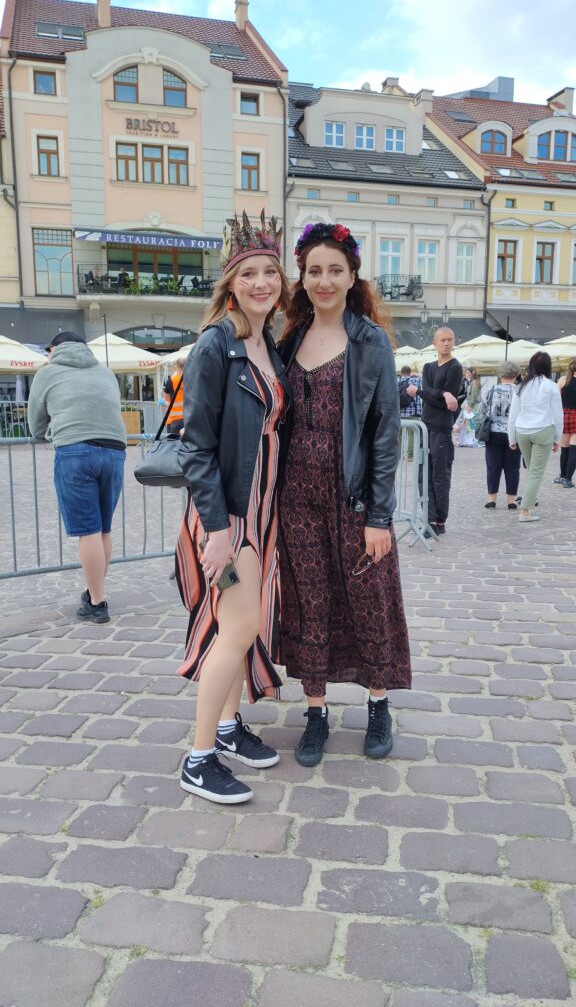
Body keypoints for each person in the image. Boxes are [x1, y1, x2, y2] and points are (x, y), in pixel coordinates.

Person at [277, 221, 411, 769]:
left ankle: (378, 705)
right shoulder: (287, 340)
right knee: (310, 600)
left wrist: (379, 514)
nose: (324, 280)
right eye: (314, 271)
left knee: (368, 598)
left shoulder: (370, 341)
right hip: (295, 498)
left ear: (353, 276)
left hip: (353, 497)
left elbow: (385, 433)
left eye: (335, 270)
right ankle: (316, 711)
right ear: (303, 279)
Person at [175, 211, 291, 805]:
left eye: (270, 272)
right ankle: (198, 760)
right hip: (229, 515)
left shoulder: (267, 344)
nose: (261, 283)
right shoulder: (215, 345)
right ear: (230, 282)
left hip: (262, 513)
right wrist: (217, 529)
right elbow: (195, 446)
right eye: (249, 274)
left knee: (234, 626)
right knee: (241, 625)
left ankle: (225, 727)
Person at [27, 330, 126, 623]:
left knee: (88, 531)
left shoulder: (48, 373)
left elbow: (35, 425)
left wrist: (52, 431)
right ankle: (94, 592)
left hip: (75, 450)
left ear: (53, 350)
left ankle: (97, 602)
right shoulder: (106, 373)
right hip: (115, 451)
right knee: (103, 529)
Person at [407, 328, 464, 535]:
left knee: (440, 476)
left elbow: (439, 403)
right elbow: (433, 396)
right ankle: (429, 519)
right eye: (442, 340)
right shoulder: (429, 367)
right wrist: (442, 393)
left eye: (450, 339)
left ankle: (439, 521)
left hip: (441, 429)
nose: (447, 343)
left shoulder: (455, 367)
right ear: (435, 343)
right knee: (423, 475)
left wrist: (421, 392)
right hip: (426, 426)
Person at [508, 351, 563, 522]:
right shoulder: (551, 386)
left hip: (522, 431)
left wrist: (511, 438)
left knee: (532, 470)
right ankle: (525, 511)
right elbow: (558, 415)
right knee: (536, 472)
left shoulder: (521, 386)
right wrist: (557, 438)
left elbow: (513, 415)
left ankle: (529, 507)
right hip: (543, 430)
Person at [481, 362, 522, 510]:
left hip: (494, 433)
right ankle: (511, 500)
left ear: (500, 375)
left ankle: (492, 499)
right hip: (514, 434)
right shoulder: (520, 391)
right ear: (516, 375)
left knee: (493, 467)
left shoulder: (491, 390)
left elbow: (483, 410)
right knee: (513, 468)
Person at [555, 358, 576, 489]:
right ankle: (567, 479)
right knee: (574, 449)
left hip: (564, 415)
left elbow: (554, 398)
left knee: (565, 449)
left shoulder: (563, 380)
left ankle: (562, 476)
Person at [453, 367, 482, 447]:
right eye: (466, 373)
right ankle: (467, 441)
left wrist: (470, 406)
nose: (467, 374)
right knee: (468, 423)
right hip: (471, 405)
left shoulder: (475, 382)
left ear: (473, 372)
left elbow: (473, 395)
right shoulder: (473, 382)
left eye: (468, 373)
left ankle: (470, 441)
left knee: (470, 424)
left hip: (473, 406)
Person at [163, 357, 186, 435]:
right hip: (188, 418)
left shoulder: (171, 380)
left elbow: (167, 399)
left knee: (173, 441)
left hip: (174, 420)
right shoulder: (191, 379)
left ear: (176, 366)